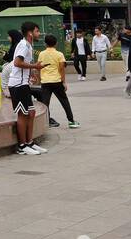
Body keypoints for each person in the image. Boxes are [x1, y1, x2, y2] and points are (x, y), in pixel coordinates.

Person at [9, 22, 47, 155]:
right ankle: (21, 145)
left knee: (31, 113)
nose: (39, 33)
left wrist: (32, 73)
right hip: (17, 84)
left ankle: (29, 142)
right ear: (30, 33)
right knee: (23, 114)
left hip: (23, 83)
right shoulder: (24, 45)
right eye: (37, 31)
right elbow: (17, 63)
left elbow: (23, 63)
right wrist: (35, 67)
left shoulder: (28, 45)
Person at [36, 35, 79, 129]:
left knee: (45, 103)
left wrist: (40, 80)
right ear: (56, 44)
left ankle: (46, 122)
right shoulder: (59, 54)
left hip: (45, 82)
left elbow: (39, 67)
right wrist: (64, 82)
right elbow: (62, 69)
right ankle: (71, 121)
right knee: (64, 101)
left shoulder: (41, 54)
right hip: (56, 81)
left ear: (45, 43)